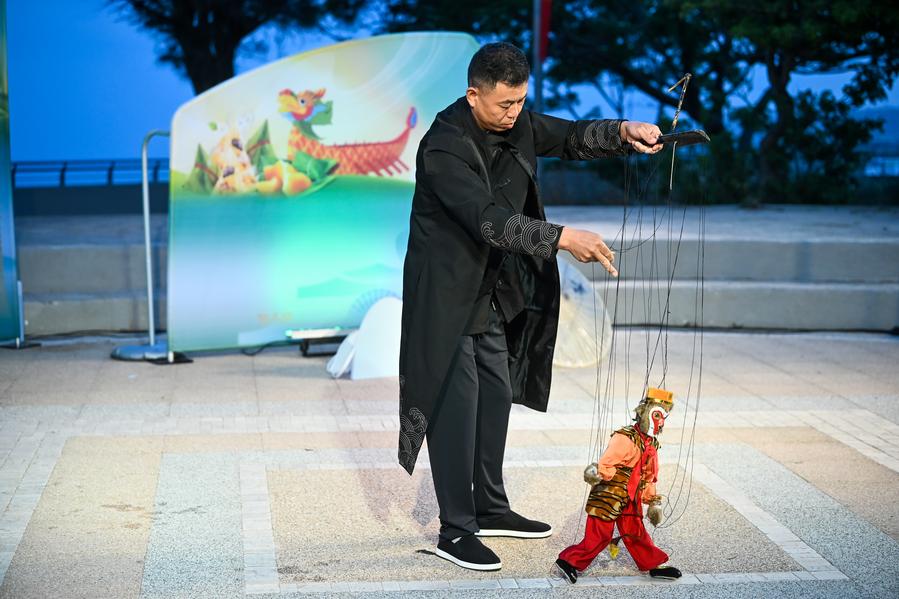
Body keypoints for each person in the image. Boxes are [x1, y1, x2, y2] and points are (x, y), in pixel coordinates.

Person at [397, 41, 663, 571]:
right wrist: (563, 237)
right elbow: (487, 219)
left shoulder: (515, 121)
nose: (514, 113)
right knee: (456, 405)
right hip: (446, 291)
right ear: (473, 95)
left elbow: (569, 136)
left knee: (496, 393)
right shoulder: (443, 146)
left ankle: (490, 507)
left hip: (492, 287)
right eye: (504, 104)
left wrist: (623, 131)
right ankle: (455, 530)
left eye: (521, 102)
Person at [555, 388, 683, 583]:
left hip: (631, 497)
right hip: (610, 493)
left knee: (636, 532)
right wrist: (598, 472)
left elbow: (649, 476)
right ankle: (568, 561)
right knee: (600, 536)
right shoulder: (625, 437)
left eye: (664, 417)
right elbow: (607, 463)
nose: (661, 422)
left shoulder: (651, 445)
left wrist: (651, 500)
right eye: (656, 415)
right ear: (645, 413)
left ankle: (652, 564)